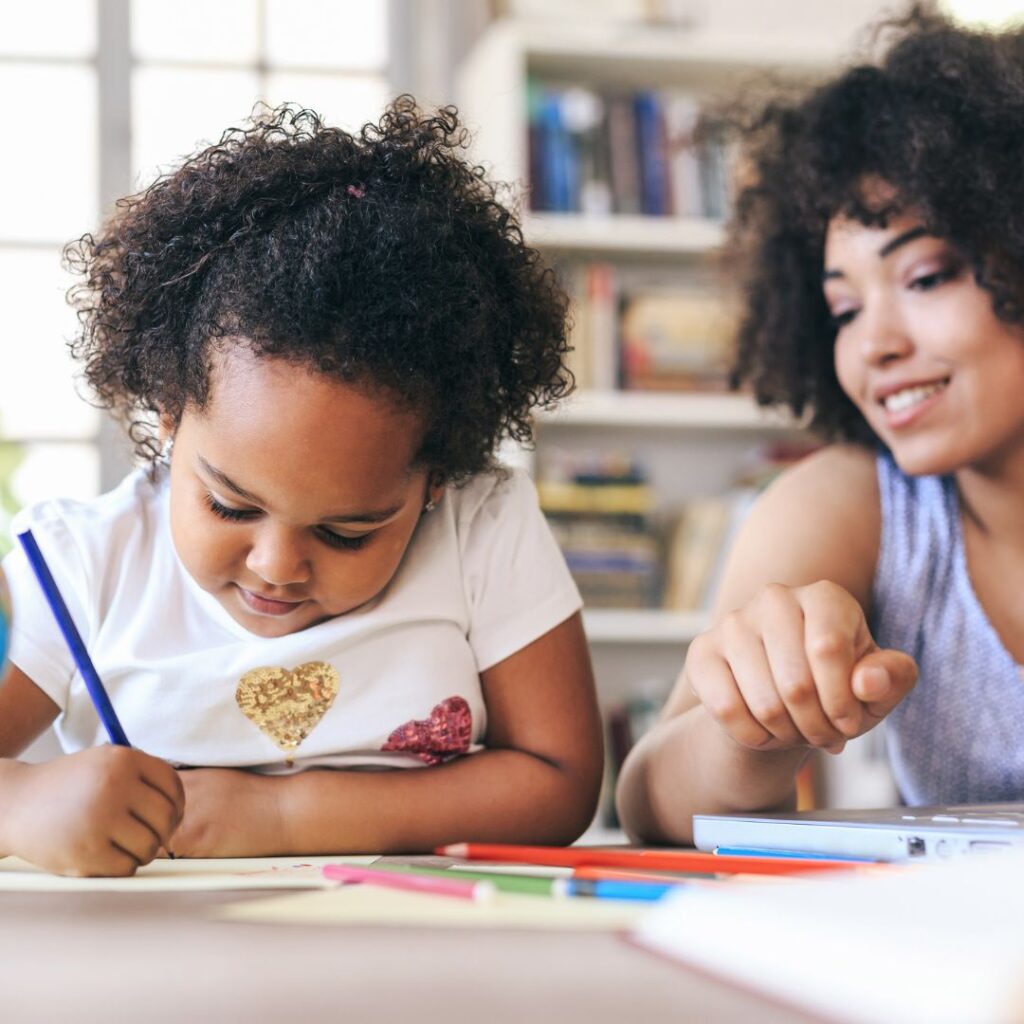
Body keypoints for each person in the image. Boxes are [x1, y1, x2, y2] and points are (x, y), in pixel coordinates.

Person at [0, 98, 604, 876]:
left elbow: (560, 781)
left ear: (437, 481)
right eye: (230, 504)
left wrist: (281, 814)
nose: (277, 566)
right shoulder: (81, 567)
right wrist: (17, 807)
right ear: (169, 415)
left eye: (348, 532)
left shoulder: (483, 529)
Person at [617, 6, 1024, 844]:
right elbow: (651, 801)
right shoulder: (859, 504)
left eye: (926, 276)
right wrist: (753, 724)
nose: (873, 343)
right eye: (843, 307)